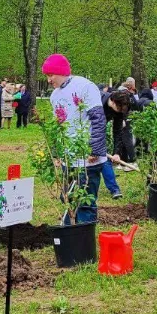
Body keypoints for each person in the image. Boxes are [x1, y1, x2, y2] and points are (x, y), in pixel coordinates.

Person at [42, 54, 107, 225]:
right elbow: (57, 127)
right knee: (68, 199)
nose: (48, 80)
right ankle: (71, 231)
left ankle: (83, 237)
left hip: (87, 158)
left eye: (50, 75)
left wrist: (95, 149)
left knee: (85, 202)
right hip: (67, 157)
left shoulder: (85, 87)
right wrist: (56, 153)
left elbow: (98, 119)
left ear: (61, 72)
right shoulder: (54, 96)